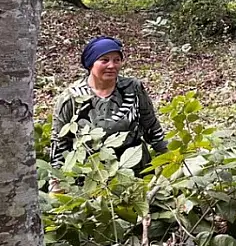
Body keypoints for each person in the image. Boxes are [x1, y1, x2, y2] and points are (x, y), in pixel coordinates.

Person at [49, 36, 168, 186]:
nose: (112, 65)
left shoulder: (133, 88)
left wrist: (170, 160)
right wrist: (56, 183)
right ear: (91, 64)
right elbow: (60, 143)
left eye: (117, 60)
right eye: (104, 60)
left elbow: (152, 128)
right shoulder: (71, 97)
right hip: (92, 176)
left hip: (135, 172)